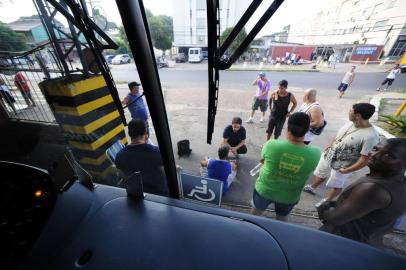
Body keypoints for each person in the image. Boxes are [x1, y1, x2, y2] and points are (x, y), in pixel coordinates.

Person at [317, 138, 406, 246]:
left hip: (340, 242)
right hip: (367, 242)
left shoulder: (373, 189)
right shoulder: (398, 182)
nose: (374, 155)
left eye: (389, 156)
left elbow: (334, 218)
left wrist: (323, 207)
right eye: (375, 149)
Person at [304, 103, 380, 205]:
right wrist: (328, 147)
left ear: (358, 116)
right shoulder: (350, 123)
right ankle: (312, 187)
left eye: (350, 111)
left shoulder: (371, 136)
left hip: (344, 165)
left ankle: (327, 200)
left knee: (336, 184)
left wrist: (347, 170)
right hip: (329, 155)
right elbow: (338, 136)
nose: (348, 112)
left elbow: (364, 159)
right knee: (321, 173)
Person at [250, 112, 321, 221]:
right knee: (282, 219)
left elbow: (263, 161)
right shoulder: (315, 153)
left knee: (254, 215)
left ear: (288, 127)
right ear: (307, 129)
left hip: (265, 190)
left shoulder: (271, 145)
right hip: (289, 196)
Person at [115, 119, 168, 196]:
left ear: (130, 134)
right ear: (145, 133)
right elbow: (166, 173)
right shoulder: (157, 152)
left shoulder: (120, 155)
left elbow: (123, 176)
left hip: (136, 194)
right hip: (158, 194)